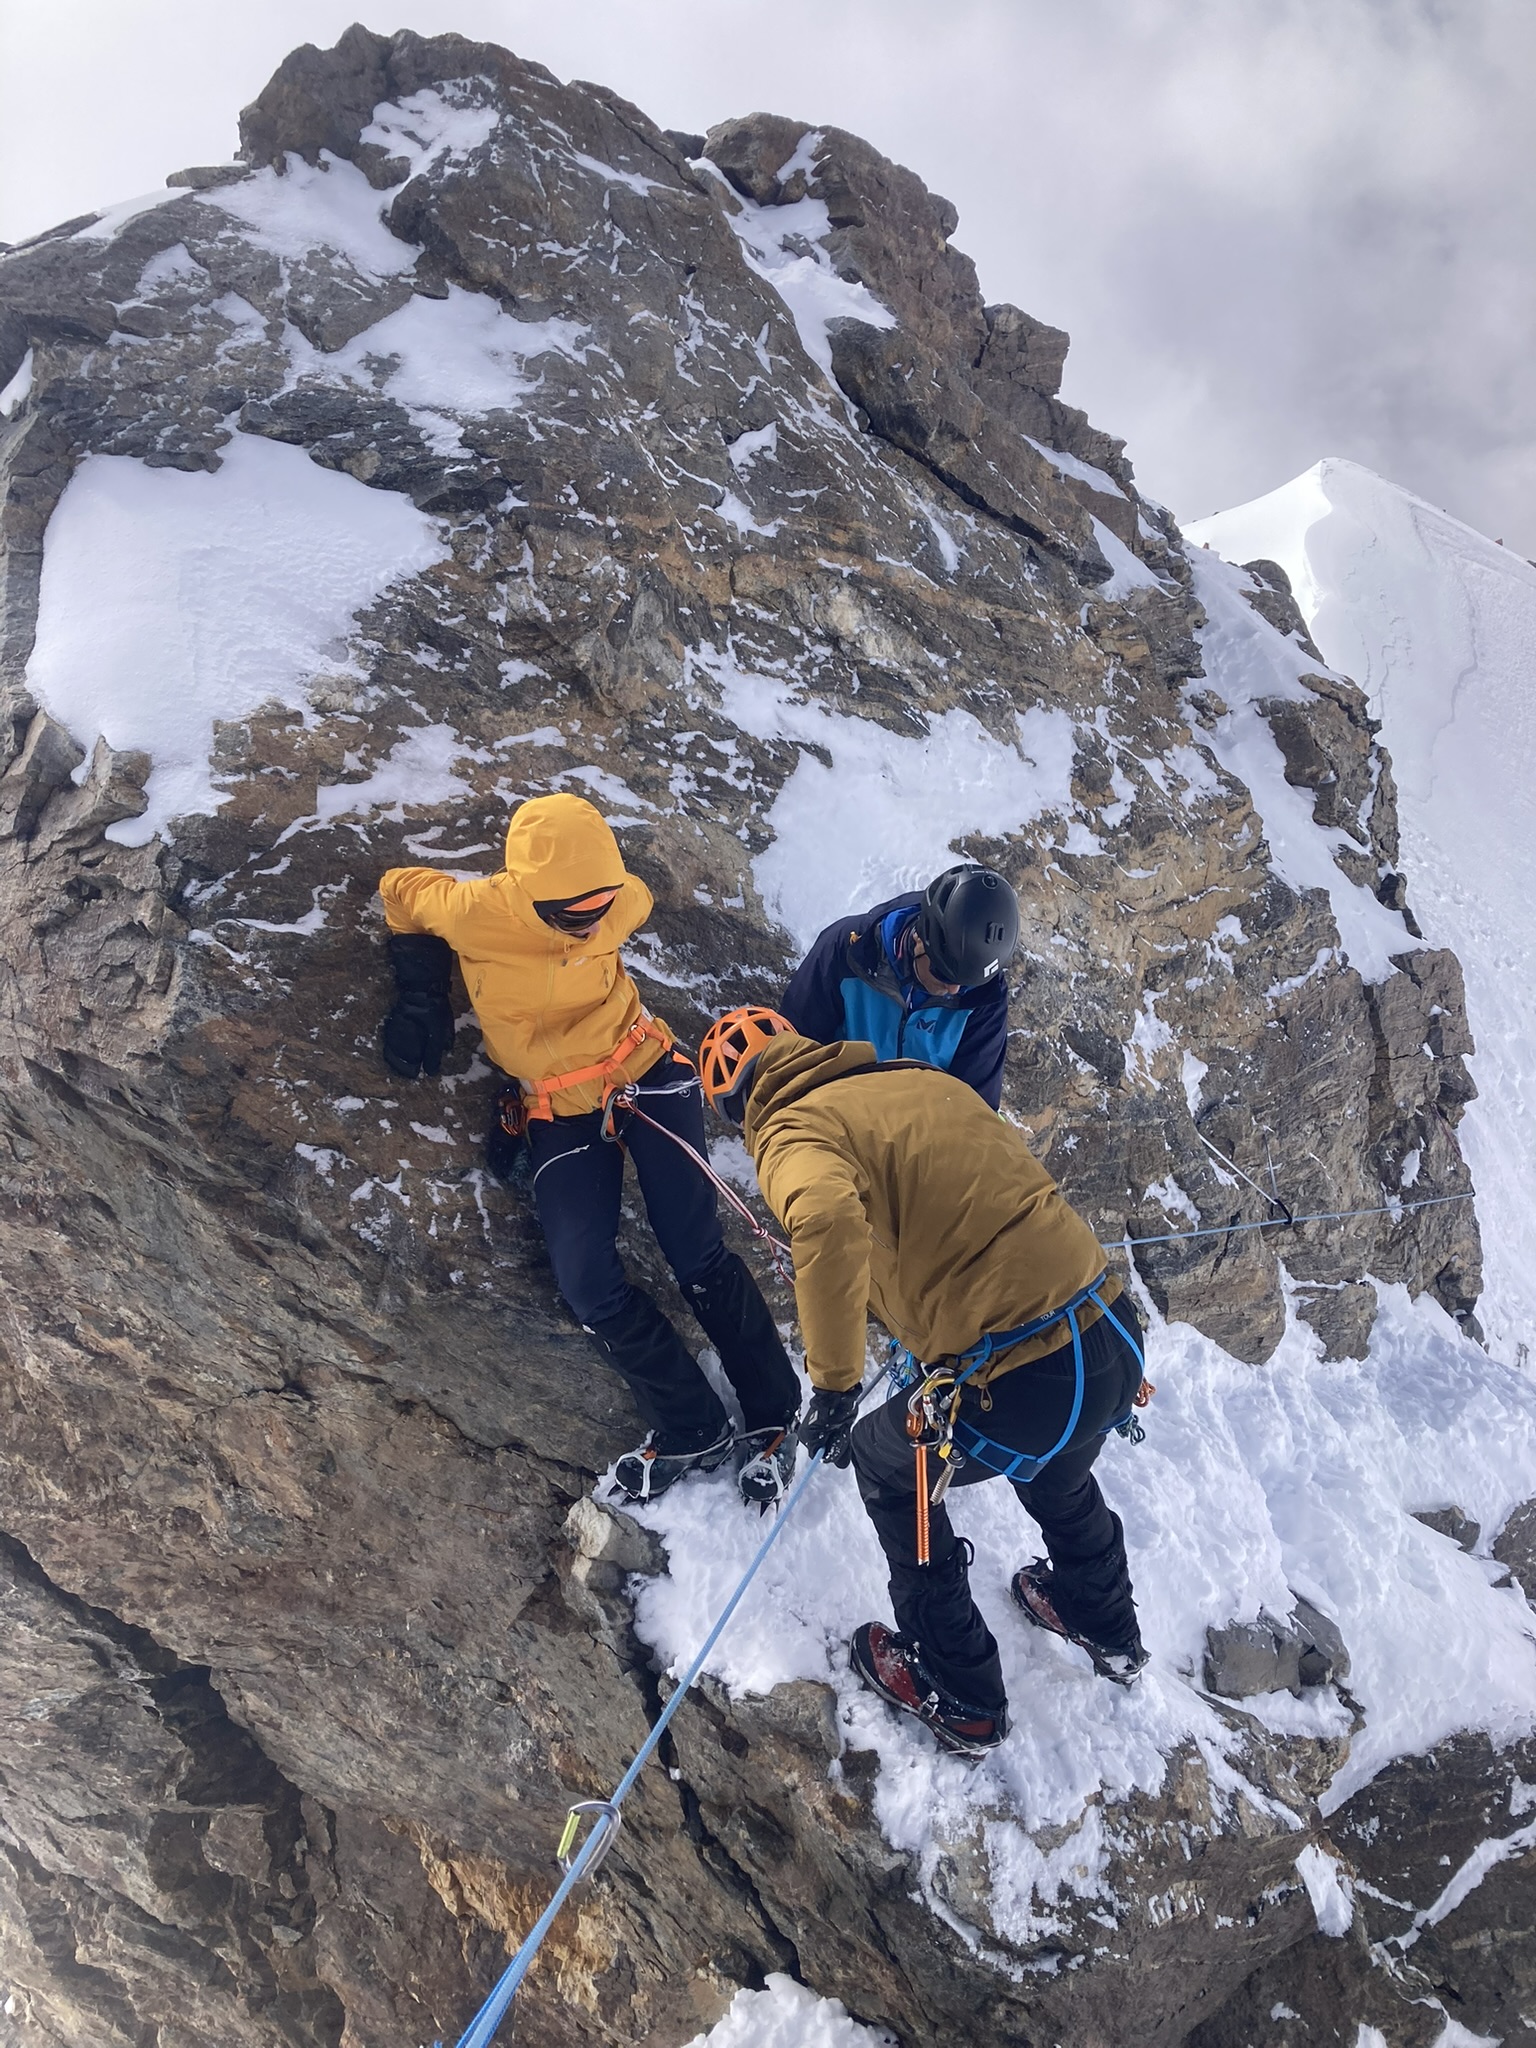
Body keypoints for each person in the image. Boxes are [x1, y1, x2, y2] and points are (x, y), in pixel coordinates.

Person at [697, 1007, 1149, 1757]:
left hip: (1024, 1372)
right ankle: (1104, 1624)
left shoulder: (789, 1131)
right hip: (1108, 1333)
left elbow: (827, 1222)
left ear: (737, 1107)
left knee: (888, 1462)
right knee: (1057, 1465)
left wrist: (835, 1388)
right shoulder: (910, 1078)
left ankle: (960, 1688)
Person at [376, 794, 801, 1506]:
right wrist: (421, 992)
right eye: (575, 914)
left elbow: (636, 896)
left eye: (602, 905)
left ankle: (776, 1412)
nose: (595, 922)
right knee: (585, 1283)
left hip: (647, 1072)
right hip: (557, 1108)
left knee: (694, 1249)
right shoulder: (475, 911)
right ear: (530, 894)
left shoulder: (618, 901)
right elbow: (399, 890)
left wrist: (602, 904)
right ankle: (694, 1425)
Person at [777, 864, 1019, 1109]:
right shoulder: (849, 952)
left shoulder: (985, 996)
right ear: (919, 937)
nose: (954, 990)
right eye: (942, 974)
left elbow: (975, 1108)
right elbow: (793, 1055)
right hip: (832, 1112)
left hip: (920, 1129)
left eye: (966, 984)